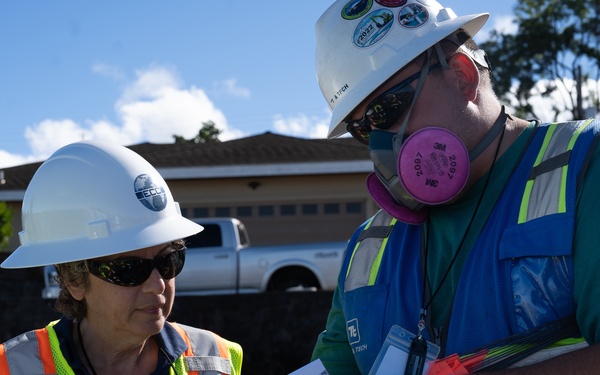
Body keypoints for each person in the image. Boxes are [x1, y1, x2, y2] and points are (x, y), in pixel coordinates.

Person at [311, 0, 600, 374]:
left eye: (387, 110)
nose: (381, 144)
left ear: (462, 75)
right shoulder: (368, 246)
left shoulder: (584, 166)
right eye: (363, 128)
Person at [0, 140, 243, 375]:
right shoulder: (12, 367)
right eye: (129, 269)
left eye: (168, 261)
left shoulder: (216, 357)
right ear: (74, 280)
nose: (157, 285)